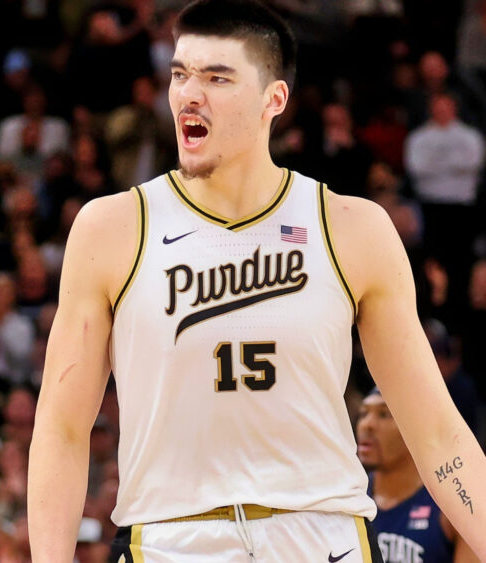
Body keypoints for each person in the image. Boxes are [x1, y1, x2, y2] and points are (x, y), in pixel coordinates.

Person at [26, 0, 486, 560]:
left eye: (217, 77)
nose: (189, 95)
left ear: (275, 99)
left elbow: (438, 434)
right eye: (179, 74)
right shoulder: (112, 228)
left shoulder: (352, 228)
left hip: (322, 535)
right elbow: (62, 431)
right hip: (174, 538)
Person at [358, 388, 476, 562]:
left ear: (417, 430)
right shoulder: (348, 494)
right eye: (363, 413)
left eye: (384, 414)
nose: (367, 424)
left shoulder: (452, 505)